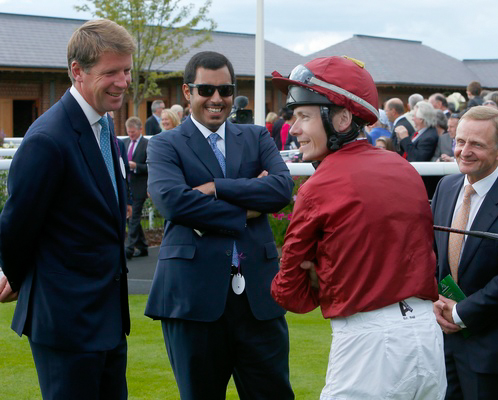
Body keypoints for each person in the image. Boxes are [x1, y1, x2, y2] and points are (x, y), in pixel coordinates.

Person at [271, 55, 446, 400]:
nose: (294, 128)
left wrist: (326, 276)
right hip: (427, 337)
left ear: (341, 118)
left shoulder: (319, 186)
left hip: (368, 344)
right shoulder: (403, 168)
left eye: (304, 116)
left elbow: (289, 291)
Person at [144, 50, 295, 400]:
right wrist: (245, 211)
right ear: (187, 92)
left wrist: (217, 189)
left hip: (258, 299)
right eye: (206, 90)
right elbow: (172, 201)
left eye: (225, 91)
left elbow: (280, 188)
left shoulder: (256, 136)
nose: (217, 99)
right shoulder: (165, 144)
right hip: (193, 301)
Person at [0, 19, 134, 399]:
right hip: (65, 325)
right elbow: (16, 226)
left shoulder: (105, 129)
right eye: (111, 72)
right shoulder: (48, 139)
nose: (123, 82)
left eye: (126, 70)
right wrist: (17, 275)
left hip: (106, 321)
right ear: (78, 71)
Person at [431, 106, 498, 400]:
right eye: (460, 141)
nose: (464, 151)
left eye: (476, 144)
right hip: (440, 342)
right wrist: (434, 300)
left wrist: (459, 313)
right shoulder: (446, 187)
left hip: (490, 349)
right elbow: (430, 254)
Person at [122, 116, 149, 259]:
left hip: (140, 186)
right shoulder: (124, 143)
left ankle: (129, 249)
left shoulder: (147, 144)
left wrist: (136, 166)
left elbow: (151, 166)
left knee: (134, 218)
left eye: (133, 132)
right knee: (130, 217)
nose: (130, 135)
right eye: (128, 132)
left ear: (140, 129)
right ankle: (143, 246)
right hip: (127, 186)